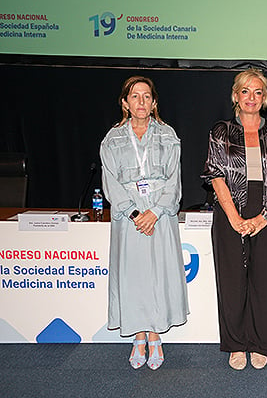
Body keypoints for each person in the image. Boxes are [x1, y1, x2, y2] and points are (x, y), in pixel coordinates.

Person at [203, 69, 267, 371]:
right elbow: (215, 174)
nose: (251, 97)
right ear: (236, 96)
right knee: (231, 281)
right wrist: (234, 217)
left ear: (264, 98)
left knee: (264, 281)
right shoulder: (220, 130)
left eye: (258, 92)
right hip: (230, 205)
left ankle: (261, 343)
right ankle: (236, 344)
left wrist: (264, 216)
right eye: (245, 91)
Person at [100, 75, 189, 370]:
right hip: (129, 220)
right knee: (134, 277)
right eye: (135, 97)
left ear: (154, 103)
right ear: (125, 103)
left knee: (158, 276)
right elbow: (111, 183)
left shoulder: (168, 135)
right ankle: (139, 336)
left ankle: (155, 334)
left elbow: (174, 180)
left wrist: (156, 211)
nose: (141, 102)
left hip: (160, 217)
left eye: (147, 96)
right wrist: (136, 214)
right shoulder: (112, 139)